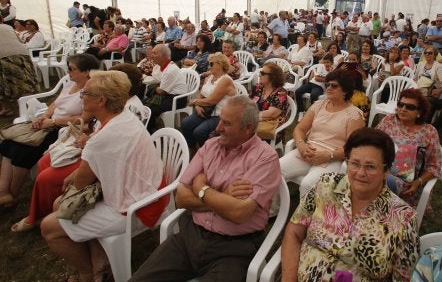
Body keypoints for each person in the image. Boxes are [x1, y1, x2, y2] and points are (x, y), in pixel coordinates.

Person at [130, 96, 280, 282]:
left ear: (247, 128)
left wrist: (200, 188)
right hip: (189, 238)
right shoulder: (210, 146)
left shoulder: (265, 158)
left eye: (226, 123)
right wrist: (223, 197)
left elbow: (238, 213)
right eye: (219, 121)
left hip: (233, 251)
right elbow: (181, 198)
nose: (218, 128)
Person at [41, 71, 167, 282]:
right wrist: (78, 173)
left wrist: (76, 175)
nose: (81, 96)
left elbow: (81, 183)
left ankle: (87, 274)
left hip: (138, 208)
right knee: (59, 205)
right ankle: (99, 262)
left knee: (49, 228)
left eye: (85, 93)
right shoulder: (124, 117)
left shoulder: (102, 138)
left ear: (101, 100)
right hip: (149, 192)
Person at [281, 128, 419, 281]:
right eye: (354, 163)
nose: (360, 173)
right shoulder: (326, 185)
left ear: (386, 170)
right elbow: (293, 232)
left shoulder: (404, 218)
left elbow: (404, 277)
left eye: (370, 166)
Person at [0, 53, 99, 207]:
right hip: (49, 124)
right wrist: (44, 116)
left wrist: (53, 121)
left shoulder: (90, 91)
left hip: (64, 130)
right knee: (9, 143)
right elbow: (55, 103)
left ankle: (12, 193)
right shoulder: (69, 84)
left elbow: (83, 119)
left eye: (72, 69)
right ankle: (3, 191)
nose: (68, 72)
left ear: (86, 71)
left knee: (23, 149)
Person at [281, 69, 365, 195]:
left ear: (346, 90)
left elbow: (352, 147)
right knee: (276, 169)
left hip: (334, 157)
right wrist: (301, 144)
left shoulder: (354, 115)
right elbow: (300, 129)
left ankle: (306, 215)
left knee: (308, 185)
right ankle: (272, 211)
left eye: (334, 86)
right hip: (308, 151)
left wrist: (328, 156)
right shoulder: (318, 105)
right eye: (327, 85)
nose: (329, 88)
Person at [375, 88, 442, 207]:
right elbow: (372, 143)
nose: (403, 109)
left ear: (419, 112)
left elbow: (435, 166)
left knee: (383, 180)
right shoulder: (389, 121)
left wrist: (418, 182)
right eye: (401, 105)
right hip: (380, 169)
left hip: (407, 182)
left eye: (410, 107)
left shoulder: (429, 132)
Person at [180, 52, 236, 149]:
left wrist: (195, 102)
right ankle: (193, 151)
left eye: (211, 63)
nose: (208, 66)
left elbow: (212, 100)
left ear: (220, 64)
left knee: (199, 132)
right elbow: (201, 95)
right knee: (186, 123)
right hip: (206, 111)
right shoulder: (210, 77)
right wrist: (197, 106)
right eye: (208, 63)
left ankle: (209, 153)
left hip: (220, 115)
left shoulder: (225, 80)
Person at [144, 44, 188, 132]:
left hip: (177, 99)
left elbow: (161, 91)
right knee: (144, 103)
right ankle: (151, 127)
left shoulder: (170, 70)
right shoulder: (165, 67)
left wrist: (152, 88)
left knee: (149, 109)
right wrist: (156, 87)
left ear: (163, 56)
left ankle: (150, 131)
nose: (152, 56)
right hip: (169, 96)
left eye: (154, 53)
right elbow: (160, 85)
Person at [0, 23, 40, 117]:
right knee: (25, 81)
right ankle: (30, 105)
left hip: (4, 56)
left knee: (3, 83)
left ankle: (7, 108)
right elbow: (20, 40)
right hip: (22, 53)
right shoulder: (8, 27)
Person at [251, 62, 289, 139]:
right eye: (260, 72)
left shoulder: (280, 92)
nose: (259, 75)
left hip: (270, 129)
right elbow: (247, 105)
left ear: (273, 77)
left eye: (262, 73)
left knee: (241, 130)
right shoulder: (258, 88)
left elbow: (272, 114)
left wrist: (250, 116)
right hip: (254, 122)